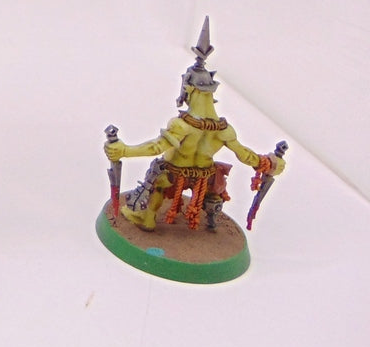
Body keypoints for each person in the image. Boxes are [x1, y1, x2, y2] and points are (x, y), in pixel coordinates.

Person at [105, 20, 285, 232]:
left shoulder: (182, 126)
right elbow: (245, 155)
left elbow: (156, 147)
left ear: (189, 88)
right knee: (213, 183)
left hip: (174, 176)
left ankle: (148, 218)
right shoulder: (224, 130)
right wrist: (269, 163)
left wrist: (124, 151)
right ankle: (209, 219)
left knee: (157, 177)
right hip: (204, 178)